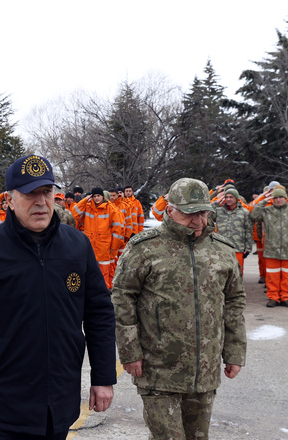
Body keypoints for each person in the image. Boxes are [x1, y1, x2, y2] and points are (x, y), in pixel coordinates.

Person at [0, 154, 117, 439]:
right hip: (4, 404)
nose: (41, 201)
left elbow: (99, 315)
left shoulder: (77, 246)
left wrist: (103, 377)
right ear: (9, 199)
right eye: (30, 193)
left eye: (46, 192)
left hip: (60, 401)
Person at [111, 177, 246, 440]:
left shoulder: (222, 250)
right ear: (169, 210)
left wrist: (235, 351)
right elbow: (122, 298)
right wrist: (130, 351)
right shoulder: (145, 248)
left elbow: (234, 301)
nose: (198, 221)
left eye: (203, 213)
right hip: (158, 368)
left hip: (204, 371)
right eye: (189, 213)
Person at [250, 186, 288, 308]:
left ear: (285, 198)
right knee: (272, 276)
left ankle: (286, 297)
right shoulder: (267, 211)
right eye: (276, 198)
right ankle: (273, 297)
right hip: (271, 249)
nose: (278, 200)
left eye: (281, 197)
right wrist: (264, 199)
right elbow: (254, 215)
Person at [73, 187, 126, 289]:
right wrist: (84, 200)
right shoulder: (88, 206)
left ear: (102, 196)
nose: (96, 198)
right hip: (90, 246)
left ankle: (103, 294)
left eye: (98, 196)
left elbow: (117, 230)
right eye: (94, 196)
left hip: (104, 247)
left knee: (103, 273)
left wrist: (113, 248)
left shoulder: (111, 209)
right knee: (89, 271)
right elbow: (74, 214)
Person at [212, 188, 254, 275]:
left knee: (237, 272)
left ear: (236, 198)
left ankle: (238, 289)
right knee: (222, 271)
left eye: (231, 197)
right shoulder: (218, 211)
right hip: (221, 248)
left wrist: (248, 247)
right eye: (226, 197)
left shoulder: (244, 212)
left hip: (238, 247)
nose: (228, 199)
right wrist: (216, 203)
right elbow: (207, 214)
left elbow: (248, 230)